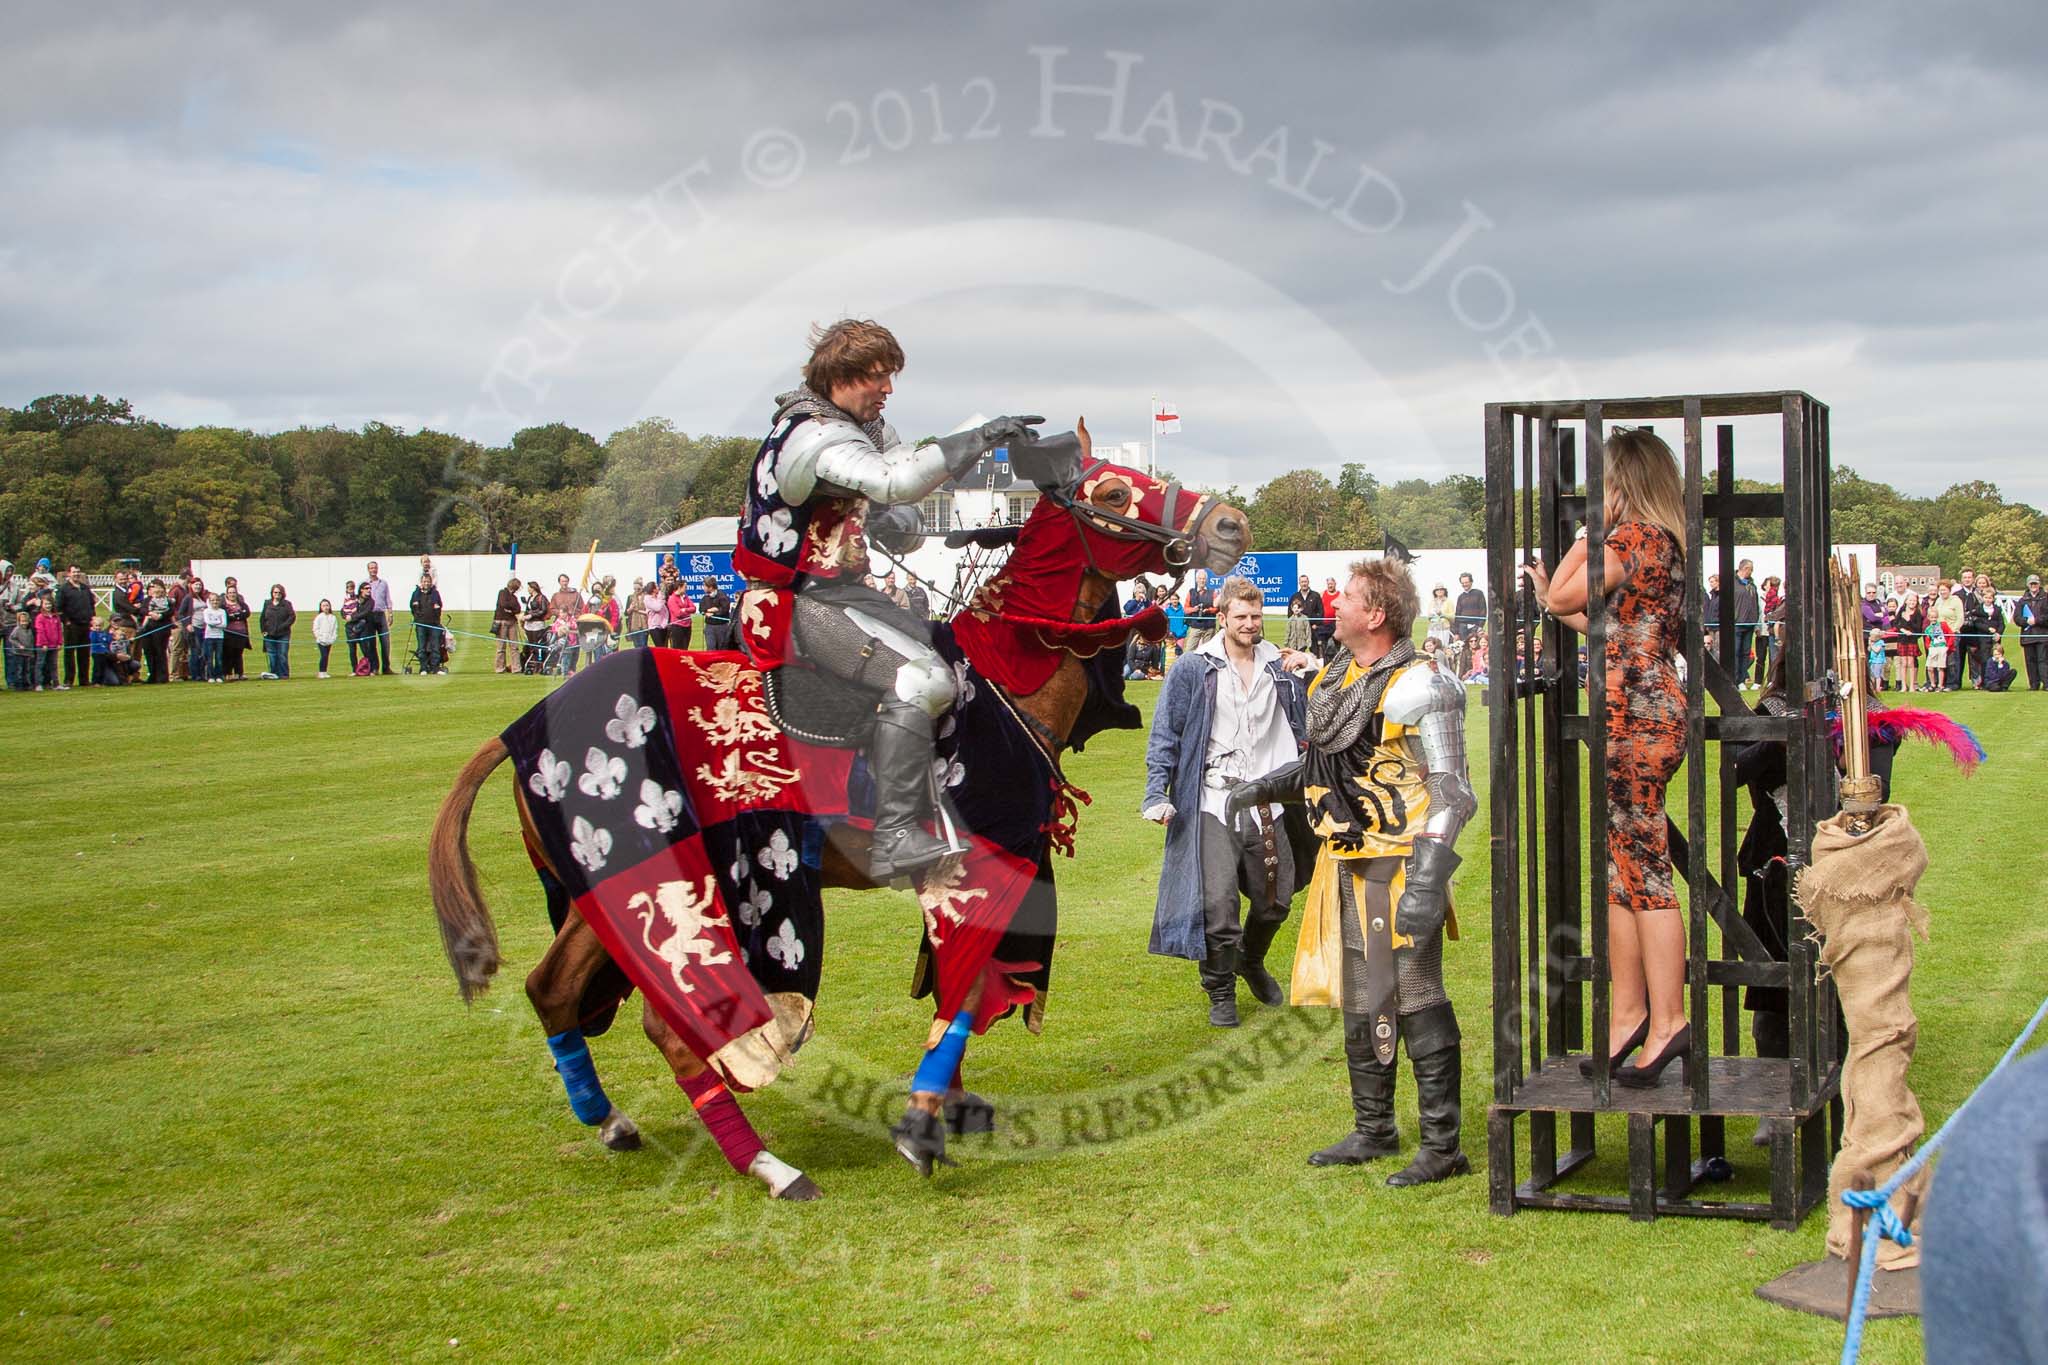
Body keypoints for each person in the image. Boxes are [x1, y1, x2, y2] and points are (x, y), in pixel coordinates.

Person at [731, 317, 1038, 880]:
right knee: (924, 680)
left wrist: (898, 522)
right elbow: (894, 481)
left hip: (847, 592)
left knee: (955, 652)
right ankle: (895, 834)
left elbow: (903, 500)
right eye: (879, 377)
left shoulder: (866, 430)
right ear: (842, 377)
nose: (888, 390)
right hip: (800, 600)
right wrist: (981, 434)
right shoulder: (810, 434)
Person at [1228, 555, 1475, 1184]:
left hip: (1401, 863)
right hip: (1346, 861)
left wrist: (1426, 880)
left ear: (1377, 614)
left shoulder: (1424, 684)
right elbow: (1326, 770)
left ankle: (1444, 1146)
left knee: (1415, 994)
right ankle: (1375, 1130)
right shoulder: (1334, 682)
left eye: (1349, 595)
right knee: (1364, 998)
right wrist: (1262, 788)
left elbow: (1454, 794)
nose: (1334, 601)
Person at [1524, 428, 1691, 1091]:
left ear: (1624, 481)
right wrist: (1552, 594)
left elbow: (1566, 596)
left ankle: (1667, 1017)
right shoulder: (1658, 543)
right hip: (1641, 713)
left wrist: (1590, 529)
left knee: (1644, 867)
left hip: (1641, 719)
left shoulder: (1636, 538)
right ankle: (1628, 1015)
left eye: (1607, 483)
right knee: (1625, 867)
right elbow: (1602, 623)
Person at [1142, 577, 1309, 1027]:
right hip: (1214, 799)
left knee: (1275, 901)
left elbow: (1314, 719)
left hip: (1268, 800)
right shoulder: (1194, 667)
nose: (1250, 624)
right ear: (1222, 617)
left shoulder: (1280, 665)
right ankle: (1220, 990)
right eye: (1241, 617)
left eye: (1256, 617)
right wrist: (1157, 791)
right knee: (1217, 905)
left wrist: (1312, 668)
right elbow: (1166, 733)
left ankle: (1250, 961)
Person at [56, 564, 94, 688]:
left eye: (78, 572)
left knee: (84, 653)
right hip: (72, 625)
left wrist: (92, 618)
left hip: (85, 624)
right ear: (68, 573)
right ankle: (69, 680)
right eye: (74, 572)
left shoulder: (85, 588)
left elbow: (91, 605)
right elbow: (59, 607)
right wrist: (66, 621)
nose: (76, 574)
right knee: (70, 654)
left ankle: (84, 679)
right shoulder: (64, 589)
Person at [2016, 573, 2048, 691]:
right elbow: (2017, 618)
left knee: (2043, 660)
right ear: (2028, 585)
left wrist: (2037, 620)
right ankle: (2033, 684)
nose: (2033, 585)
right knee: (2030, 661)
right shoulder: (2023, 600)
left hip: (2042, 635)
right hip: (2028, 636)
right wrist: (2026, 621)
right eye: (2031, 583)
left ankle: (2046, 684)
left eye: (2035, 583)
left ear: (2039, 584)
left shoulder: (2046, 598)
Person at [1732, 559, 1761, 687]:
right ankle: (1736, 679)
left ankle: (1743, 679)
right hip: (1737, 624)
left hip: (1749, 624)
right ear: (1744, 569)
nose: (1752, 572)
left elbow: (1756, 604)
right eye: (1750, 569)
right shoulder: (1733, 583)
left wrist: (1756, 623)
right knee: (1736, 652)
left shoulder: (1752, 585)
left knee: (1745, 652)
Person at [361, 562, 394, 674]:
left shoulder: (383, 583)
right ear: (368, 569)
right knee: (371, 643)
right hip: (369, 616)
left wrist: (390, 613)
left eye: (375, 568)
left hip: (381, 614)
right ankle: (374, 667)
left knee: (385, 642)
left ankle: (386, 667)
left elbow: (387, 599)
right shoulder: (364, 584)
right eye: (371, 568)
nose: (373, 570)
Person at [139, 579, 174, 683]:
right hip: (148, 629)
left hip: (161, 628)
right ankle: (152, 675)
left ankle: (162, 676)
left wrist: (161, 616)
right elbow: (142, 610)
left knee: (160, 652)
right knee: (149, 652)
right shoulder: (147, 600)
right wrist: (150, 614)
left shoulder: (167, 600)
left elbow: (171, 611)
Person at [411, 574, 446, 673]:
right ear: (421, 582)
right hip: (421, 625)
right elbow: (412, 607)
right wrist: (418, 617)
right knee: (422, 647)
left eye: (428, 581)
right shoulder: (416, 594)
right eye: (424, 581)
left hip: (434, 624)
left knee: (435, 647)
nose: (426, 583)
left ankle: (435, 668)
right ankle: (423, 668)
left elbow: (439, 606)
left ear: (431, 582)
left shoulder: (435, 593)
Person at [259, 585, 296, 679]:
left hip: (283, 634)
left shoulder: (287, 604)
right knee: (272, 655)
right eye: (275, 592)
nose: (277, 594)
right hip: (269, 634)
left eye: (279, 593)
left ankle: (284, 674)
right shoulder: (267, 603)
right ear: (272, 593)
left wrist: (283, 626)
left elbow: (292, 617)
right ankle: (274, 673)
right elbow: (262, 618)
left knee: (282, 654)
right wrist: (263, 630)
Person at [1893, 590, 1925, 693]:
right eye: (1910, 600)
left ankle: (1912, 685)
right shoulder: (1901, 611)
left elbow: (1918, 628)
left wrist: (1908, 620)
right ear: (1906, 601)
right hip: (1902, 640)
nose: (1912, 602)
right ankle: (1903, 686)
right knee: (1903, 663)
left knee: (1911, 662)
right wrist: (1902, 630)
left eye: (1914, 601)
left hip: (1912, 640)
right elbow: (1896, 623)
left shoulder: (1917, 613)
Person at [1452, 572, 1487, 658]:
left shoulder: (1479, 593)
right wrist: (1456, 632)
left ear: (1471, 582)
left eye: (1466, 582)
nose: (1464, 584)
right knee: (1464, 647)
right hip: (1462, 626)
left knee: (1476, 646)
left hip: (1475, 626)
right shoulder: (1460, 597)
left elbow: (1483, 610)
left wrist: (1480, 626)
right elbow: (1457, 614)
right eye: (1462, 583)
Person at [221, 587, 252, 680]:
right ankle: (228, 673)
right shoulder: (223, 606)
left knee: (238, 654)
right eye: (230, 592)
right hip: (229, 633)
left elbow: (246, 613)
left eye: (234, 592)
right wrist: (238, 615)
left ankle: (239, 673)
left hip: (241, 633)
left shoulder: (242, 604)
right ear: (227, 594)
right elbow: (226, 616)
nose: (232, 594)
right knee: (228, 654)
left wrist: (235, 616)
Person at [492, 578, 523, 671]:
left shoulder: (514, 597)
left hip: (512, 622)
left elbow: (518, 608)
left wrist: (510, 610)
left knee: (514, 646)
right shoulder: (502, 592)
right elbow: (503, 604)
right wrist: (511, 609)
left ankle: (516, 667)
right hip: (501, 622)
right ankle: (500, 667)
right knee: (501, 646)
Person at [32, 594, 62, 689]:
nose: (48, 606)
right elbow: (40, 631)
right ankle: (38, 684)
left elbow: (59, 630)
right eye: (46, 604)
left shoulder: (55, 617)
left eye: (49, 604)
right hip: (42, 645)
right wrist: (44, 644)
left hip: (54, 645)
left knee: (53, 665)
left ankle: (56, 684)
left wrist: (59, 642)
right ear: (42, 605)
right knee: (40, 664)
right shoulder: (40, 617)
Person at [1183, 569, 1216, 651]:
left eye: (1204, 579)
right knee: (1189, 650)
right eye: (1200, 578)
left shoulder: (1213, 592)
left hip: (1209, 627)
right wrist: (1194, 609)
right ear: (1196, 579)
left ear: (1206, 580)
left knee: (1208, 651)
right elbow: (1185, 609)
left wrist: (1209, 610)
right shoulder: (1191, 592)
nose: (1202, 580)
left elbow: (1217, 608)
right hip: (1195, 626)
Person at [199, 593, 227, 682]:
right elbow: (208, 622)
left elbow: (224, 624)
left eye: (217, 600)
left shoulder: (222, 611)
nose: (215, 602)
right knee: (209, 658)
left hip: (219, 637)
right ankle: (210, 676)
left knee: (219, 658)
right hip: (209, 637)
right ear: (209, 601)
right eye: (213, 600)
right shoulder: (207, 611)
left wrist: (215, 623)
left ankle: (218, 676)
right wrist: (218, 622)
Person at [1285, 575, 1318, 652]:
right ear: (1299, 583)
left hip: (1312, 629)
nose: (1304, 584)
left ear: (1308, 582)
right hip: (1294, 637)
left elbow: (1320, 611)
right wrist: (1286, 641)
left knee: (1312, 653)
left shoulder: (1315, 595)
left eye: (1305, 581)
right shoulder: (1294, 596)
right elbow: (1289, 614)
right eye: (1302, 582)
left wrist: (1316, 624)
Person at [699, 576, 731, 651]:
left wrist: (715, 611)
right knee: (710, 648)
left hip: (721, 626)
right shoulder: (705, 598)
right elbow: (701, 609)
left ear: (710, 587)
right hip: (709, 626)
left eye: (704, 586)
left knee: (722, 647)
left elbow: (725, 609)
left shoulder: (722, 596)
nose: (703, 588)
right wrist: (706, 613)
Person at [1313, 576, 1340, 660]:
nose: (1330, 586)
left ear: (1335, 584)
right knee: (1323, 646)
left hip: (1335, 624)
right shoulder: (1321, 594)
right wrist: (1316, 622)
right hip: (1323, 624)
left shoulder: (1340, 595)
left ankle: (1336, 661)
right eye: (1328, 584)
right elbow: (1316, 608)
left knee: (1335, 645)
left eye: (1331, 584)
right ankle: (1325, 663)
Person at [5, 608, 33, 691]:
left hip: (27, 653)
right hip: (19, 653)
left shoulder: (29, 631)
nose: (24, 623)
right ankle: (18, 685)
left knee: (26, 670)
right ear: (19, 621)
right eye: (22, 621)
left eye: (26, 621)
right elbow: (12, 639)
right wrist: (19, 645)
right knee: (19, 670)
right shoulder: (17, 630)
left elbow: (31, 641)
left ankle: (26, 685)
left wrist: (31, 652)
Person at [309, 599, 337, 677]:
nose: (326, 607)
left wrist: (333, 638)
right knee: (324, 655)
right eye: (324, 606)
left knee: (327, 656)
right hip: (321, 640)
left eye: (327, 605)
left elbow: (334, 629)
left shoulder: (333, 617)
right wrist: (319, 637)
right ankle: (321, 672)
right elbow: (315, 629)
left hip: (329, 640)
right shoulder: (319, 617)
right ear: (321, 607)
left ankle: (324, 671)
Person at [641, 579, 670, 649]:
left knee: (665, 648)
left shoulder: (659, 598)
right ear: (653, 589)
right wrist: (660, 597)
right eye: (656, 587)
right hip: (654, 627)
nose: (658, 588)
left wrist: (666, 622)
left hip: (663, 625)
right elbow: (657, 608)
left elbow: (665, 611)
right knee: (660, 648)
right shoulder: (647, 599)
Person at [667, 577, 695, 649]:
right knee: (677, 648)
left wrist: (685, 610)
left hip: (687, 626)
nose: (686, 589)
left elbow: (693, 608)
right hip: (677, 626)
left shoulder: (685, 597)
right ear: (679, 587)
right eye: (685, 587)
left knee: (685, 648)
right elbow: (678, 613)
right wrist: (687, 611)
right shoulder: (672, 599)